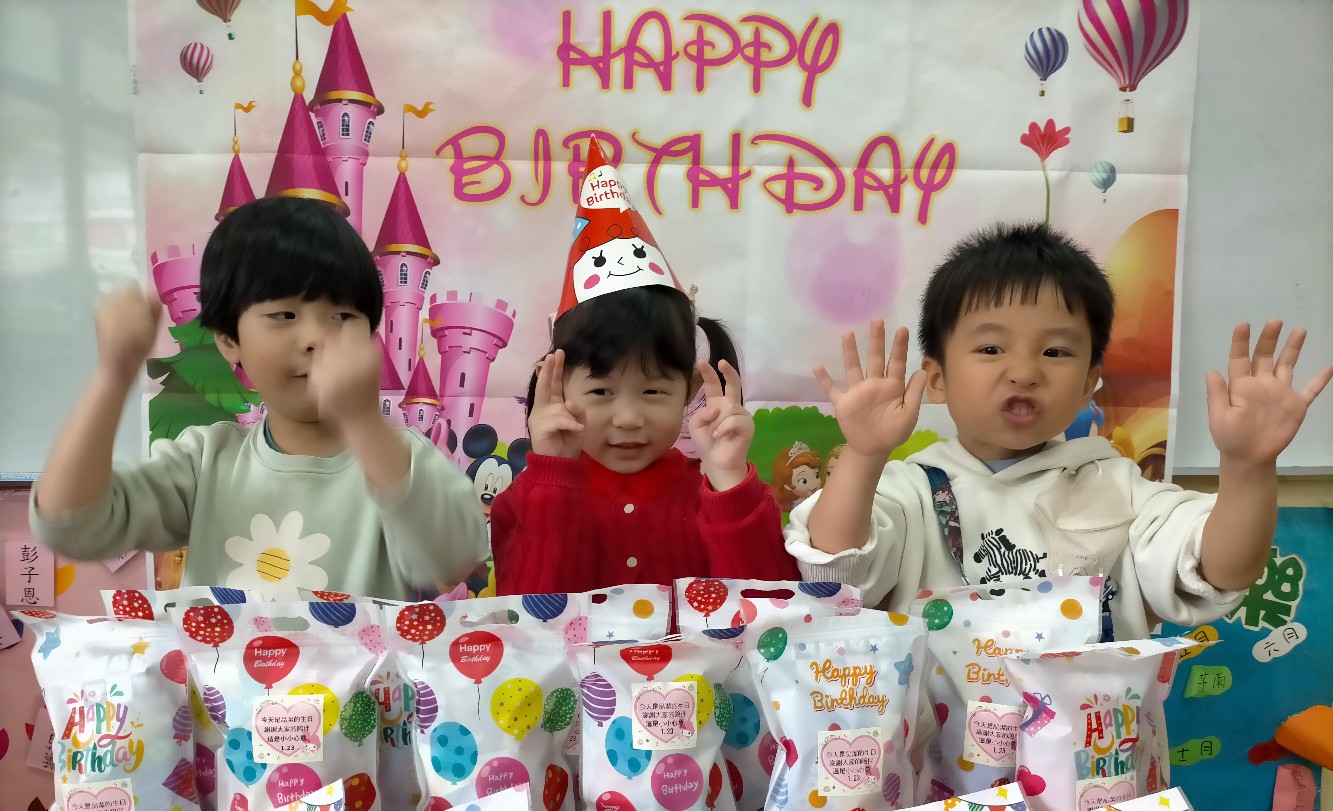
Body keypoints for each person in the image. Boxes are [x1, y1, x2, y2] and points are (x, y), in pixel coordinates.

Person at [786, 221, 1332, 640]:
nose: (1024, 371)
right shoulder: (909, 490)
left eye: (1054, 351)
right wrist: (864, 455)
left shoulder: (1118, 488)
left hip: (1093, 751)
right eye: (991, 348)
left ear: (1090, 381)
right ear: (937, 379)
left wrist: (1248, 467)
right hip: (942, 752)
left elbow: (1222, 570)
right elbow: (836, 570)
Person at [30, 195, 488, 602]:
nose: (315, 337)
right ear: (229, 339)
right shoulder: (205, 461)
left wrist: (365, 424)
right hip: (221, 678)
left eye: (344, 315)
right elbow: (71, 524)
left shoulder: (403, 459)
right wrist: (113, 376)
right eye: (284, 314)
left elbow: (451, 558)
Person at [490, 139, 797, 595]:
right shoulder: (526, 499)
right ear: (557, 386)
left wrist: (729, 481)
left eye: (653, 391)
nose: (629, 418)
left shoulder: (718, 492)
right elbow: (528, 619)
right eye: (601, 391)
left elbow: (772, 610)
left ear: (688, 388)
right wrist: (553, 478)